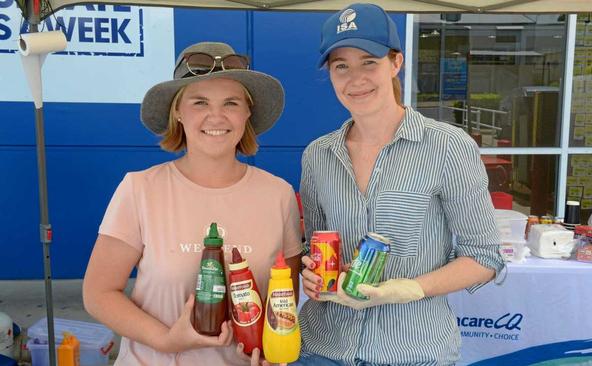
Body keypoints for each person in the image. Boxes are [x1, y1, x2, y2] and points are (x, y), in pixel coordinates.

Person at [296, 4, 505, 365]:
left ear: (396, 63)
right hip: (322, 348)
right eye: (340, 66)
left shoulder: (448, 147)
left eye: (368, 62)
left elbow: (484, 257)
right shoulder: (318, 155)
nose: (355, 78)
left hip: (412, 351)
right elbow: (316, 246)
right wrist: (313, 275)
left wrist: (409, 289)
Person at [83, 42, 302, 366]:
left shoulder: (279, 194)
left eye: (231, 102)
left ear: (247, 113)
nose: (216, 116)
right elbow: (98, 294)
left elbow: (284, 298)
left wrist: (272, 351)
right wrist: (166, 340)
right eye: (200, 102)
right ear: (177, 111)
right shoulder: (140, 188)